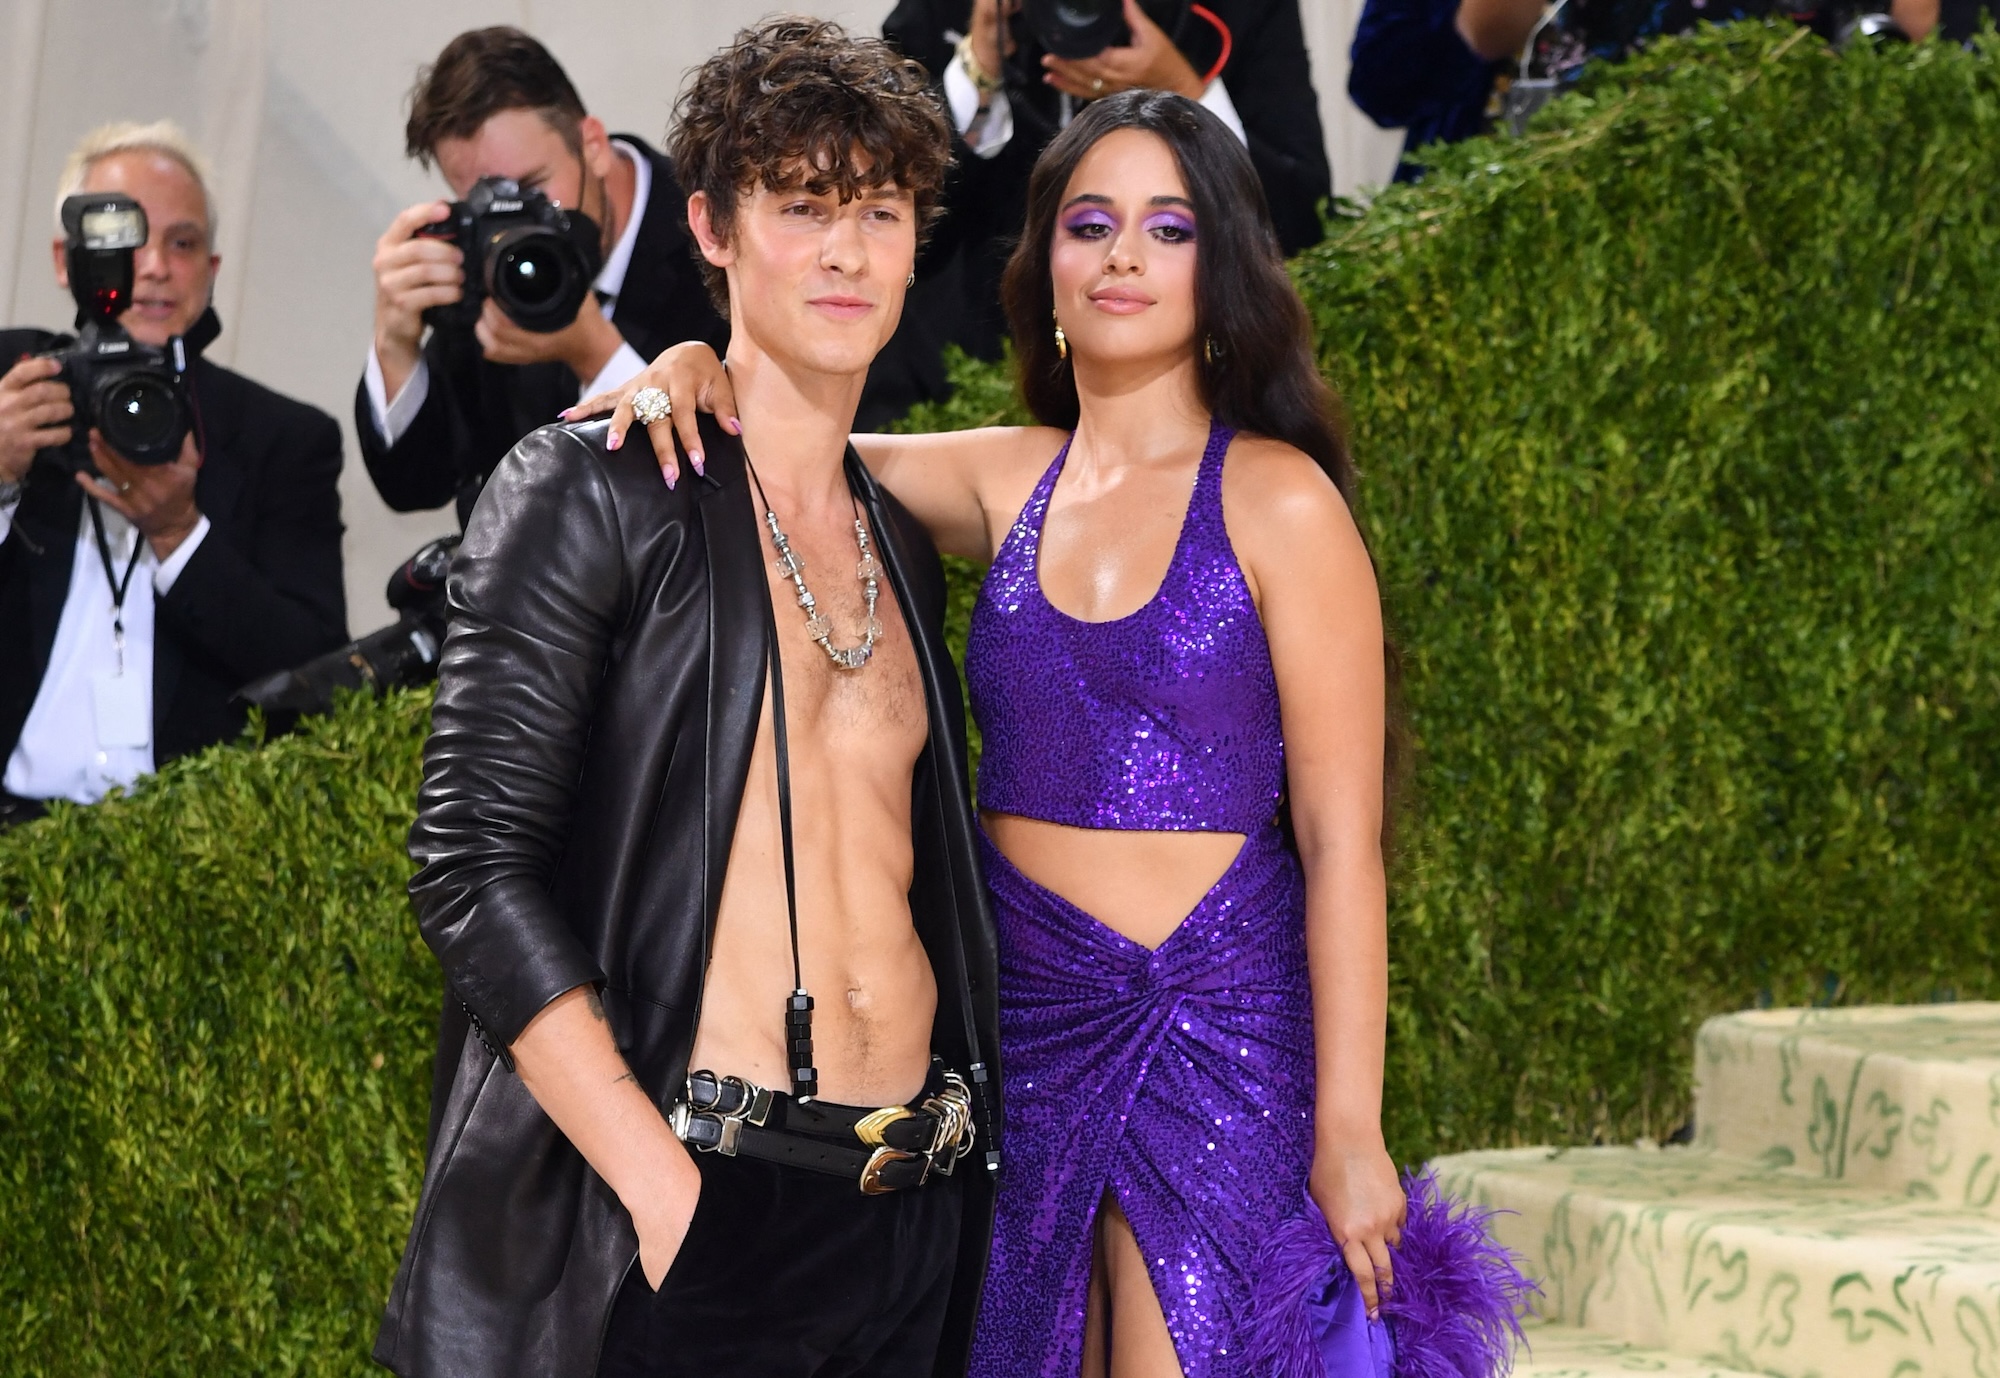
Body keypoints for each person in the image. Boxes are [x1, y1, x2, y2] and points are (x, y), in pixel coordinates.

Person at [587, 89, 1529, 1377]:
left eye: (1168, 228)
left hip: (1217, 1035)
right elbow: (788, 446)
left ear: (1225, 265)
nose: (1126, 256)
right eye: (1091, 225)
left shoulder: (1278, 498)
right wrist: (692, 363)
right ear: (1043, 269)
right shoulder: (1001, 476)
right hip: (1022, 1029)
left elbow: (1339, 839)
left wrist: (1350, 1128)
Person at [371, 20, 1000, 1378]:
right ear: (712, 226)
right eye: (805, 206)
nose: (847, 251)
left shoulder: (895, 531)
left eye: (881, 211)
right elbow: (470, 868)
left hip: (905, 1223)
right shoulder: (589, 488)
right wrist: (662, 1194)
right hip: (702, 1208)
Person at [0, 121, 346, 829]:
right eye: (125, 241)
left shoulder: (283, 438)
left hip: (185, 860)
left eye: (181, 244)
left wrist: (180, 536)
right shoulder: (11, 386)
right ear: (68, 261)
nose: (153, 266)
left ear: (212, 269)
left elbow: (314, 675)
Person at [861, 0, 1332, 427]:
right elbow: (878, 210)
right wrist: (979, 71)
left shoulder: (1237, 13)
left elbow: (1300, 221)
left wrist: (1181, 96)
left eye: (1167, 229)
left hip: (1171, 398)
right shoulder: (955, 10)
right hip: (943, 377)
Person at [359, 26, 726, 526]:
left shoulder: (713, 235)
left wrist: (596, 355)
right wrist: (394, 345)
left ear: (592, 145)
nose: (519, 222)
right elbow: (414, 483)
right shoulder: (489, 260)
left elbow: (735, 493)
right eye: (488, 201)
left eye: (533, 188)